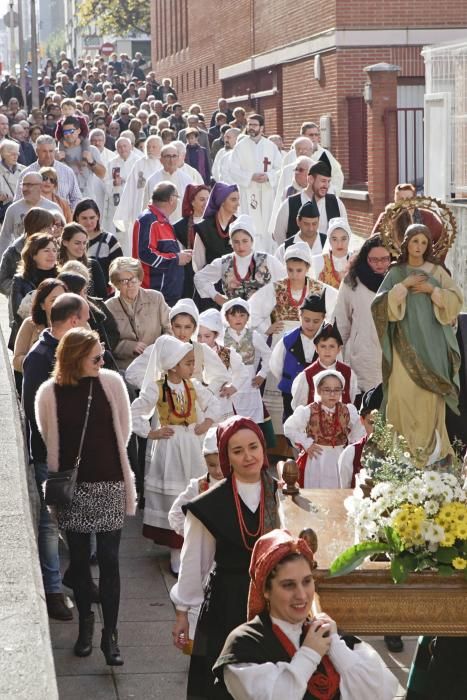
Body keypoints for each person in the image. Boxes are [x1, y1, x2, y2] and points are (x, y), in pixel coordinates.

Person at [35, 327, 137, 665]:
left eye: (102, 354)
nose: (102, 359)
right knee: (79, 565)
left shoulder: (111, 383)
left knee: (109, 561)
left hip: (109, 483)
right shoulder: (49, 393)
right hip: (72, 489)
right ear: (75, 357)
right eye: (95, 356)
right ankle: (86, 628)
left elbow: (124, 430)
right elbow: (49, 437)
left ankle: (111, 636)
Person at [214, 529, 398, 699]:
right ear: (266, 590)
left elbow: (382, 692)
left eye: (307, 581)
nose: (302, 595)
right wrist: (309, 654)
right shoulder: (244, 645)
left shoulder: (328, 634)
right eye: (288, 585)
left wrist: (337, 648)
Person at [170, 415, 281, 699]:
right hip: (227, 602)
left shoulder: (280, 492)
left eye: (253, 447)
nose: (248, 456)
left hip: (275, 602)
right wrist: (183, 612)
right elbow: (195, 562)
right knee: (221, 685)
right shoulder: (209, 505)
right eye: (237, 450)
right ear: (226, 457)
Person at [23, 293, 90, 621]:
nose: (89, 323)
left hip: (79, 454)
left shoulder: (77, 349)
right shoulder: (40, 357)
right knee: (51, 525)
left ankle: (79, 579)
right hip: (53, 458)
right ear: (74, 320)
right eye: (86, 317)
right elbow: (36, 415)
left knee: (80, 520)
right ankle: (52, 591)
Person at [371, 224, 462, 466]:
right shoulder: (396, 273)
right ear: (406, 244)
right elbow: (378, 306)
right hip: (404, 347)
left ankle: (431, 455)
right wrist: (404, 285)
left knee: (430, 399)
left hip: (433, 347)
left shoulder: (438, 271)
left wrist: (433, 290)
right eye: (414, 242)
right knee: (400, 396)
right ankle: (400, 454)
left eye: (423, 242)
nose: (419, 247)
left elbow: (456, 301)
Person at [131, 335, 221, 575]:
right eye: (188, 362)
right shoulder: (157, 388)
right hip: (169, 448)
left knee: (195, 491)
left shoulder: (194, 386)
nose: (193, 367)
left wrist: (207, 422)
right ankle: (176, 550)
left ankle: (198, 545)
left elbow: (215, 404)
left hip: (192, 445)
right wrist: (150, 433)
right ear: (172, 365)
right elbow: (135, 411)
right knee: (174, 495)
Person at [284, 369, 365, 488]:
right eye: (327, 390)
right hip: (316, 459)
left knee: (338, 489)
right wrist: (307, 443)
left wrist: (352, 446)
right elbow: (289, 427)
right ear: (318, 390)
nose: (332, 394)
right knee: (316, 490)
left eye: (337, 390)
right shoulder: (308, 411)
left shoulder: (347, 410)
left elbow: (360, 429)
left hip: (339, 457)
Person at [334, 236, 391, 397]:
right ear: (365, 258)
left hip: (392, 358)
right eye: (374, 260)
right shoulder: (352, 281)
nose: (380, 264)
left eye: (385, 259)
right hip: (362, 358)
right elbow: (341, 322)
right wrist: (335, 359)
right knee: (365, 414)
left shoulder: (399, 281)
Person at [194, 214, 285, 306]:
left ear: (252, 240)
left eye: (245, 241)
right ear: (231, 242)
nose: (240, 246)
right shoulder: (224, 263)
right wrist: (217, 297)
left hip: (262, 317)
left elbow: (286, 282)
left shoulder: (267, 260)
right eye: (236, 242)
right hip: (232, 317)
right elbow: (200, 278)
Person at [223, 298, 275, 446]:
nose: (238, 319)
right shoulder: (222, 337)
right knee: (231, 419)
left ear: (247, 317)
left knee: (252, 421)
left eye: (242, 315)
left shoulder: (253, 335)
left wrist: (262, 374)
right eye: (233, 315)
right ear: (227, 317)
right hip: (230, 381)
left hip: (249, 383)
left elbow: (268, 354)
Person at [105, 257, 171, 370]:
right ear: (116, 284)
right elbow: (108, 343)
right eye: (124, 281)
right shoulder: (109, 307)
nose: (130, 285)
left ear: (140, 280)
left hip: (157, 364)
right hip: (126, 368)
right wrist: (130, 347)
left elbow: (170, 329)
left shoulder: (156, 298)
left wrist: (159, 347)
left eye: (133, 279)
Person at [132, 181, 192, 306]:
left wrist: (179, 255)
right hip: (153, 294)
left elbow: (162, 251)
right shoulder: (148, 219)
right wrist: (176, 258)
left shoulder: (160, 220)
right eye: (177, 197)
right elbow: (144, 254)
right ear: (171, 199)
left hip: (165, 293)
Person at [269, 292, 327, 422]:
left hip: (319, 393)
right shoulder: (288, 340)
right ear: (300, 316)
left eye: (316, 321)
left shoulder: (328, 342)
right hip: (291, 392)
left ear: (323, 319)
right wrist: (289, 379)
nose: (310, 325)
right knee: (292, 423)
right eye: (307, 320)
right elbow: (276, 365)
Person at [229, 114, 282, 253]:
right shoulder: (240, 147)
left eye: (254, 125)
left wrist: (269, 176)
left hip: (267, 192)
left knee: (267, 226)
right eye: (249, 125)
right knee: (251, 224)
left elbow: (280, 169)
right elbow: (233, 170)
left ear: (262, 127)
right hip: (248, 191)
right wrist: (251, 176)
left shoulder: (270, 146)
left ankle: (268, 255)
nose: (251, 128)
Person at [274, 157, 347, 246]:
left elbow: (345, 231)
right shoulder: (289, 204)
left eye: (328, 181)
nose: (326, 185)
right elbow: (279, 235)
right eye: (323, 181)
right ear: (311, 179)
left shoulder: (336, 203)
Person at [291, 322, 358, 410]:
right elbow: (299, 406)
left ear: (338, 349)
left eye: (332, 346)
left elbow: (351, 399)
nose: (327, 351)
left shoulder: (348, 373)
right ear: (316, 348)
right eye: (323, 346)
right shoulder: (307, 375)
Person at [9, 232, 58, 348]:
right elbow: (19, 312)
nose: (52, 254)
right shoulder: (20, 280)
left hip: (58, 335)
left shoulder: (62, 278)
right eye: (46, 250)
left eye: (54, 250)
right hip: (28, 337)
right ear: (33, 255)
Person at [197, 308, 247, 420]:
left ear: (216, 335)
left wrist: (233, 387)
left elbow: (242, 372)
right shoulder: (193, 351)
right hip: (199, 403)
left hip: (221, 402)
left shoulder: (226, 353)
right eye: (199, 336)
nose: (202, 340)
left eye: (207, 336)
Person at [112, 134, 163, 246]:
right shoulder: (140, 164)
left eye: (154, 147)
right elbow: (130, 189)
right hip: (140, 208)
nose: (150, 149)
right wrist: (124, 213)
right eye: (148, 146)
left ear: (160, 148)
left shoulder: (164, 163)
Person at [13, 278, 66, 376]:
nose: (60, 304)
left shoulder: (78, 324)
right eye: (53, 300)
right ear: (42, 305)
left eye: (63, 299)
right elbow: (16, 361)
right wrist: (37, 362)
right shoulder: (30, 324)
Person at [0, 206, 57, 297]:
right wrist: (23, 290)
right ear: (37, 228)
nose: (52, 231)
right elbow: (2, 280)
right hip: (22, 306)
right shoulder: (14, 251)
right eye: (49, 228)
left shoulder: (53, 246)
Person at [15, 135, 82, 210]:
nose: (48, 155)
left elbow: (77, 198)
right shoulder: (26, 173)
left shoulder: (67, 171)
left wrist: (69, 215)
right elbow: (18, 201)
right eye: (44, 151)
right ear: (37, 152)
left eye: (51, 151)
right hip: (34, 219)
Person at [0, 172, 59, 256]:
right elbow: (5, 238)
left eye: (29, 185)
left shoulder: (53, 208)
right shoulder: (13, 209)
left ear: (40, 186)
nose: (24, 189)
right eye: (23, 185)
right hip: (19, 257)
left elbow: (61, 235)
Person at [191, 183, 239, 280]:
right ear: (222, 201)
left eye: (238, 200)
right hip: (211, 284)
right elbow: (198, 263)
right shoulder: (204, 227)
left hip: (237, 284)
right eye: (233, 200)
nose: (238, 204)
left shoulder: (240, 225)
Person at [73, 198, 122, 284]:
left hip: (104, 294)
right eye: (84, 218)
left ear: (98, 216)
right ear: (77, 218)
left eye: (92, 218)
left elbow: (120, 270)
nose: (88, 222)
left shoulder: (110, 241)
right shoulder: (69, 240)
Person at [173, 184, 210, 297]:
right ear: (192, 202)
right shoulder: (179, 227)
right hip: (188, 276)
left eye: (208, 199)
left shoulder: (215, 222)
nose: (206, 203)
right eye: (202, 199)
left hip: (211, 273)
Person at [142, 143, 194, 224]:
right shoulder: (152, 180)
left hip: (181, 226)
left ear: (178, 158)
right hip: (158, 226)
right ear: (161, 160)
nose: (171, 160)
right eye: (168, 156)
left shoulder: (187, 180)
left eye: (174, 156)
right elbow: (146, 207)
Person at [58, 222, 108, 300]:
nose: (82, 247)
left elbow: (103, 297)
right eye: (77, 243)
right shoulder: (56, 267)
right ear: (65, 242)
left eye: (84, 243)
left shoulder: (92, 265)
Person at [274, 200, 327, 266]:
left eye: (314, 224)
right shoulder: (285, 248)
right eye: (306, 224)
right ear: (298, 221)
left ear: (319, 221)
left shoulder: (328, 243)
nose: (311, 228)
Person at [314, 217, 352, 288]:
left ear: (349, 239)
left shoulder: (356, 261)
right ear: (329, 240)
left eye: (343, 239)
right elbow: (314, 293)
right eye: (334, 239)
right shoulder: (319, 261)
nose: (339, 244)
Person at [0, 141, 25, 224]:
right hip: (4, 214)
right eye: (12, 154)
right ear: (3, 154)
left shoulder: (24, 170)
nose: (15, 157)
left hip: (22, 212)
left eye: (17, 154)